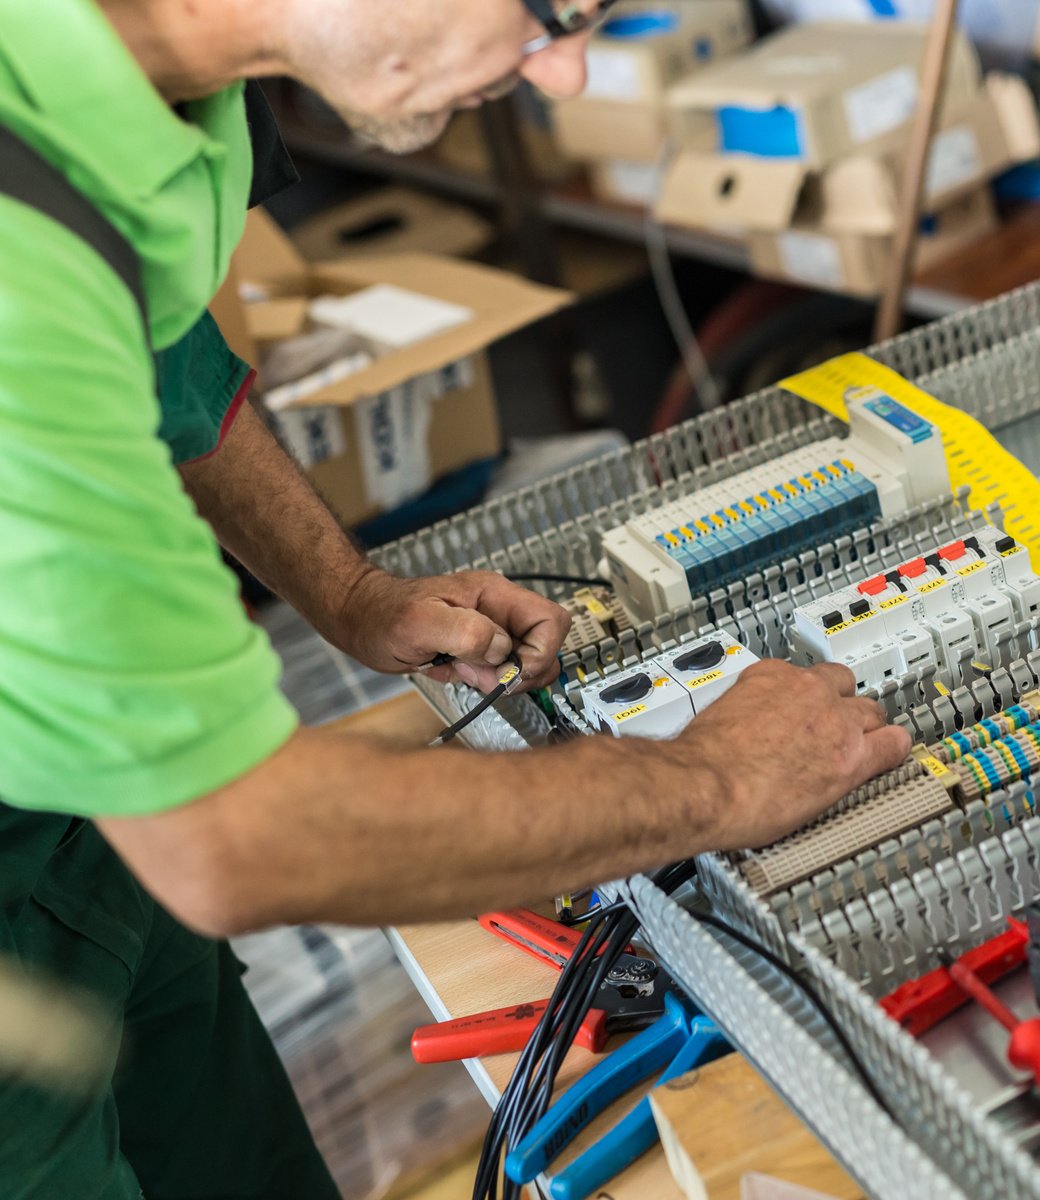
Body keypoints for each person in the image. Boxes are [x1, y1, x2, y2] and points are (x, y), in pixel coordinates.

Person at [0, 1, 912, 1194]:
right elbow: (234, 837)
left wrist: (348, 591)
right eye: (551, 12)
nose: (570, 72)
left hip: (89, 829)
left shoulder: (154, 91)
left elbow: (162, 352)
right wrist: (715, 780)